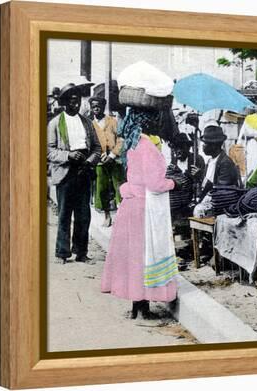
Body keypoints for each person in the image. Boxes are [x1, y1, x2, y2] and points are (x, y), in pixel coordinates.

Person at [101, 106, 186, 320]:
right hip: (142, 209)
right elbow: (154, 184)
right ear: (147, 123)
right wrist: (175, 183)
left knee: (134, 257)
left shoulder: (132, 143)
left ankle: (137, 305)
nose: (159, 123)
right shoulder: (147, 146)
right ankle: (143, 305)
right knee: (145, 256)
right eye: (156, 120)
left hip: (130, 206)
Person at [47, 83, 101, 264]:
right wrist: (68, 155)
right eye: (71, 102)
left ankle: (81, 252)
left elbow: (96, 147)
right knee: (64, 214)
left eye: (77, 101)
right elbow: (49, 151)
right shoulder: (55, 123)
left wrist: (90, 160)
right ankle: (62, 253)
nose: (75, 105)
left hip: (84, 171)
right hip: (65, 172)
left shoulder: (86, 122)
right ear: (63, 103)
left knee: (83, 214)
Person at [89, 96, 125, 227]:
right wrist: (99, 156)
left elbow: (121, 139)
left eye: (98, 106)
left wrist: (113, 155)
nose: (96, 108)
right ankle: (107, 215)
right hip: (100, 161)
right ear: (91, 108)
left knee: (119, 188)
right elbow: (90, 144)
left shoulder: (112, 121)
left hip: (115, 160)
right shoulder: (90, 124)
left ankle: (122, 216)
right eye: (93, 106)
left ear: (103, 107)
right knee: (102, 189)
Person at [192, 124, 241, 217]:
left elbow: (221, 190)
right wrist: (200, 176)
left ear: (214, 145)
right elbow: (206, 185)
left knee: (197, 212)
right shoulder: (210, 161)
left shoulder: (225, 163)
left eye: (205, 143)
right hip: (211, 199)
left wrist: (202, 177)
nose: (203, 146)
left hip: (223, 204)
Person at [167, 132, 206, 217]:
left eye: (181, 147)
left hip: (191, 198)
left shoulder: (196, 159)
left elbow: (203, 180)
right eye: (176, 148)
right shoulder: (174, 162)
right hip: (178, 199)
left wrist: (198, 175)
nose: (178, 151)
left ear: (188, 147)